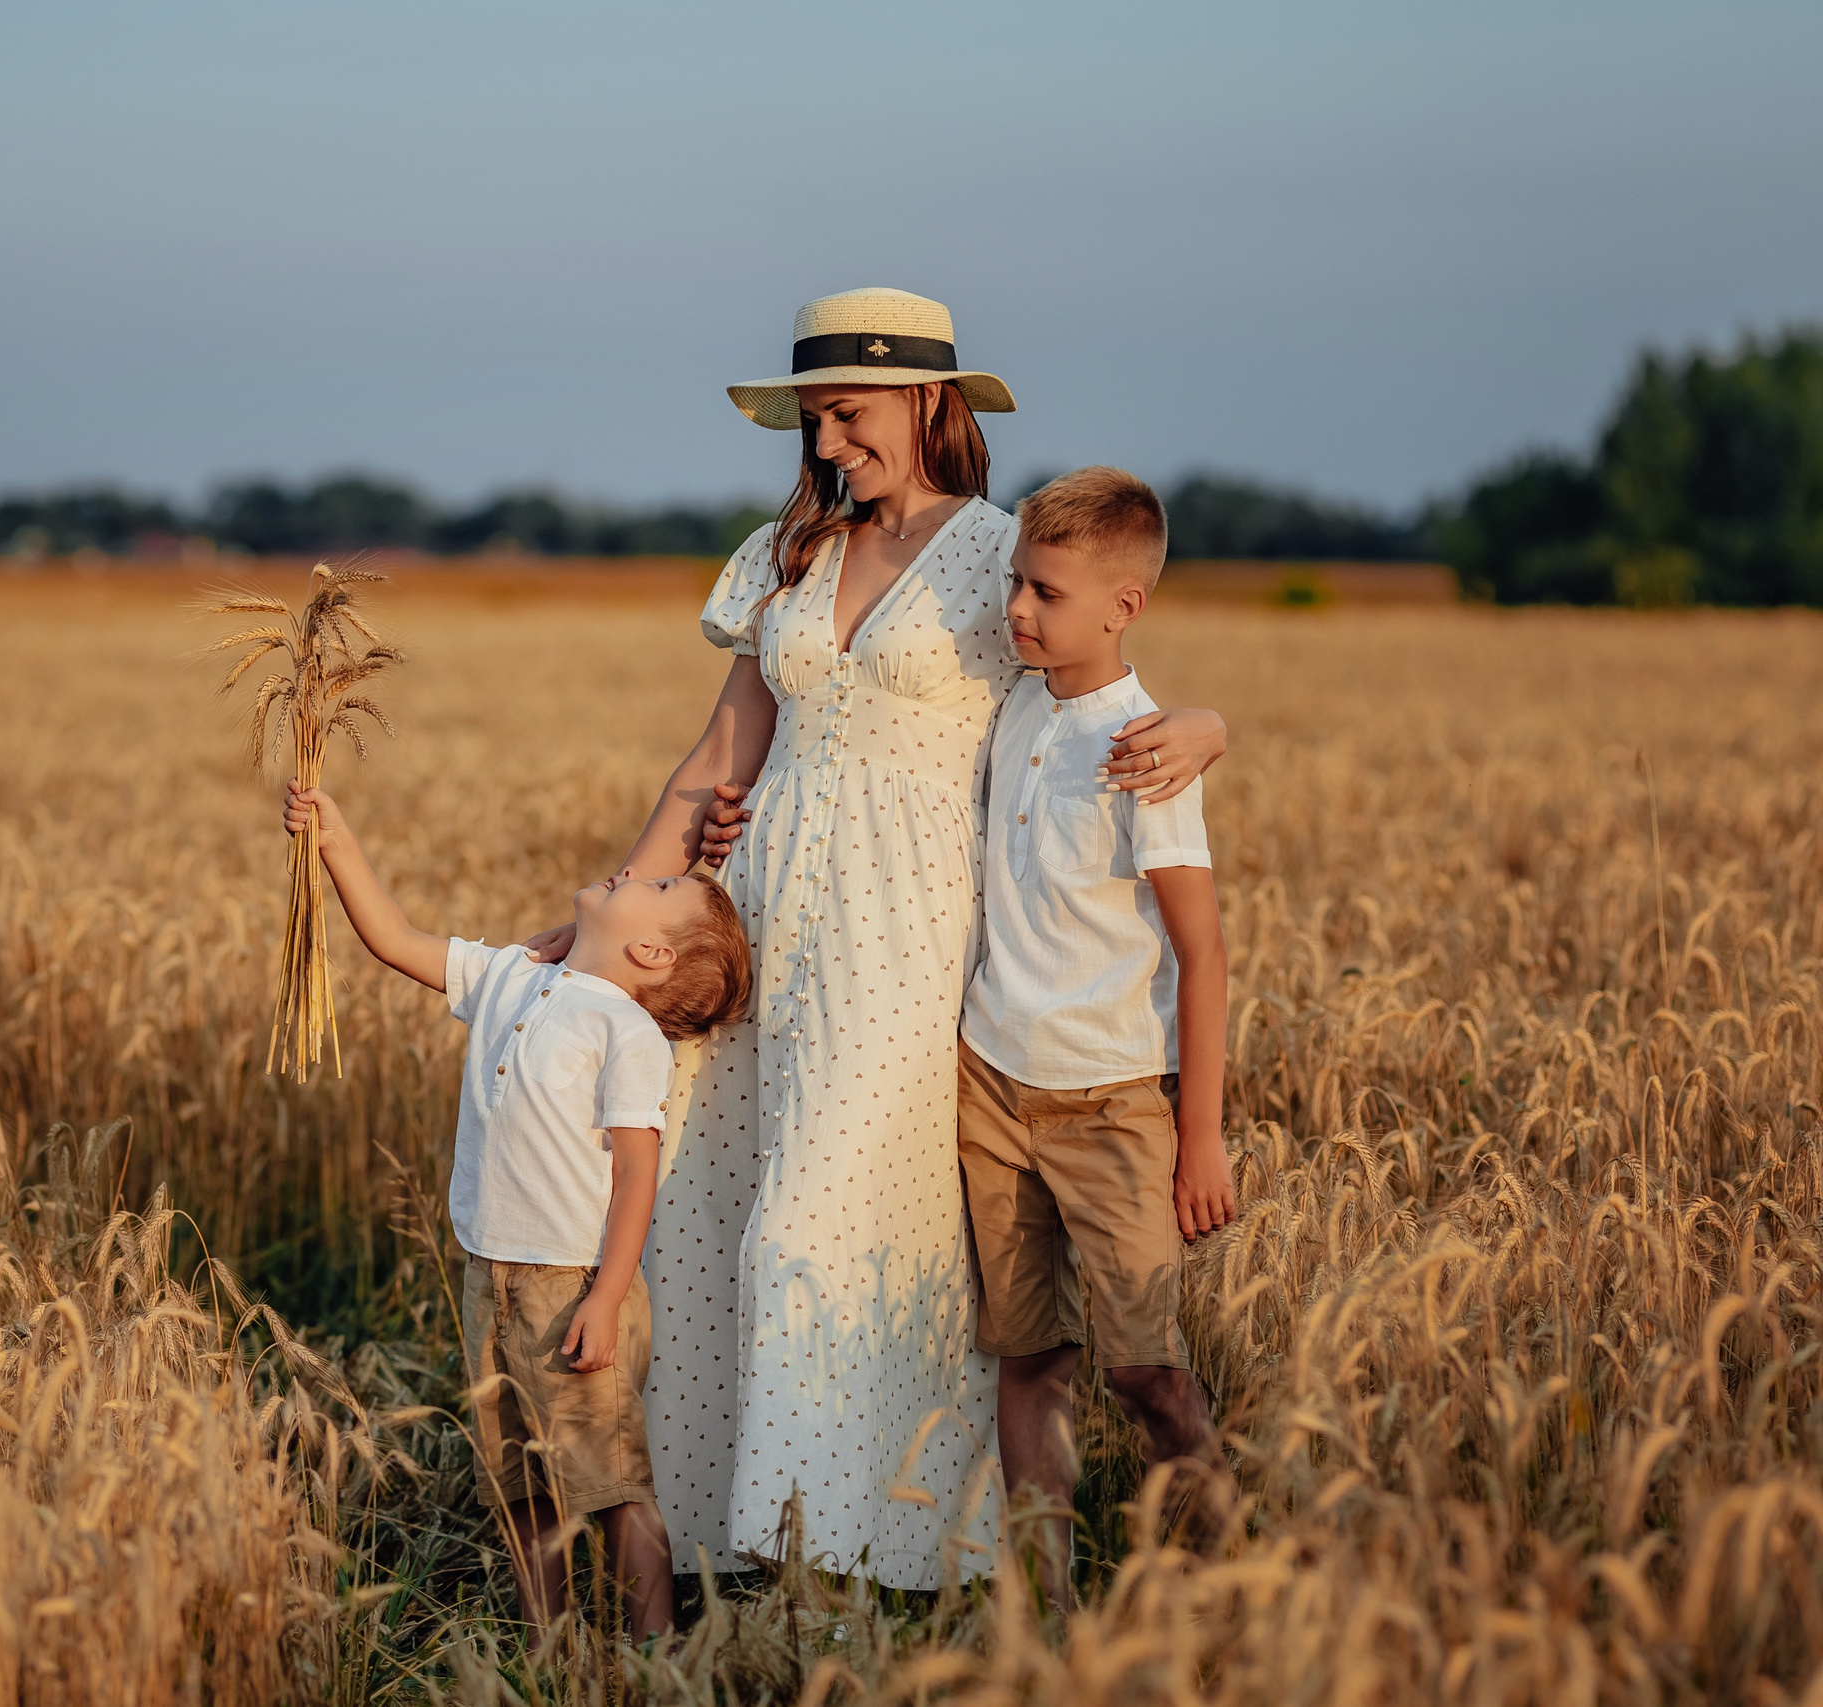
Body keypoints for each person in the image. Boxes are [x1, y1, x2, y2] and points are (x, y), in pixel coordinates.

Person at [532, 287, 1230, 1592]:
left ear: (925, 403)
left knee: (818, 1227)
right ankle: (751, 1548)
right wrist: (604, 919)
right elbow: (720, 750)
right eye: (812, 419)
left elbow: (1100, 679)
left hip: (911, 933)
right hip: (761, 913)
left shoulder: (999, 555)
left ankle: (855, 1548)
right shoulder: (786, 551)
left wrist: (1208, 724)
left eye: (849, 414)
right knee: (718, 1217)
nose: (827, 442)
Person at [281, 781, 752, 1639]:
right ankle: (548, 1644)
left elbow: (636, 1176)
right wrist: (333, 838)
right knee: (522, 1487)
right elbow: (395, 940)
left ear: (651, 952)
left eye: (656, 885)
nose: (632, 871)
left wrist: (607, 1296)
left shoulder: (625, 1033)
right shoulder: (512, 975)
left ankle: (657, 1647)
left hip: (572, 1289)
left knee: (612, 1482)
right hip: (487, 1275)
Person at [954, 467, 1237, 1607]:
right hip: (989, 1084)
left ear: (1124, 607)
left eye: (1047, 593)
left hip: (1111, 1100)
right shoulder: (1016, 701)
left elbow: (1202, 951)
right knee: (1029, 1357)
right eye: (1017, 583)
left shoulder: (1148, 751)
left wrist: (1199, 1135)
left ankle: (1218, 1591)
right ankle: (1047, 1606)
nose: (1018, 609)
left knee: (1146, 1371)